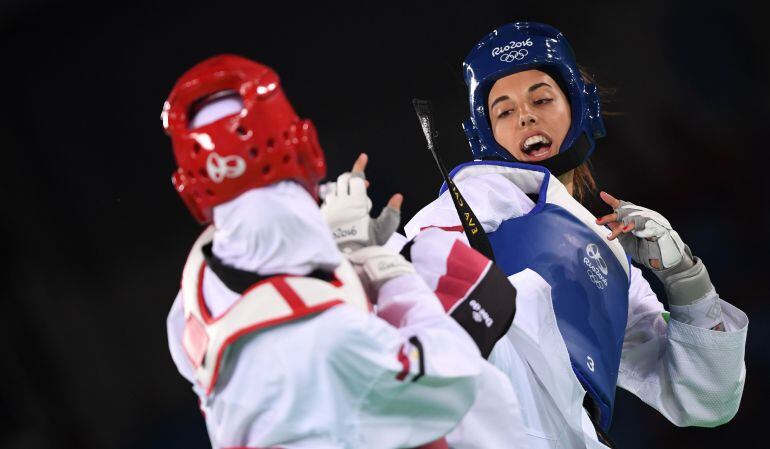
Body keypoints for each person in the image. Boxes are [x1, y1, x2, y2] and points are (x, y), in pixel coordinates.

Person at [398, 22, 748, 448]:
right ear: (485, 135)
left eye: (542, 98)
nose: (525, 115)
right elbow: (415, 277)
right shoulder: (478, 193)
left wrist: (685, 279)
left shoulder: (612, 262)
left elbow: (705, 399)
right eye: (504, 111)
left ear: (579, 107)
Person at [161, 54, 492, 449]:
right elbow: (454, 379)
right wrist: (385, 271)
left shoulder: (189, 305)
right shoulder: (333, 337)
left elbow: (273, 257)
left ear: (193, 189)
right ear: (306, 145)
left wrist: (334, 246)